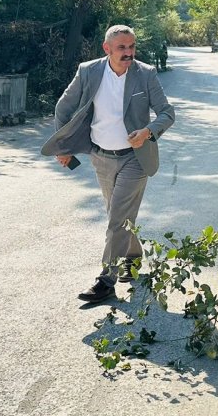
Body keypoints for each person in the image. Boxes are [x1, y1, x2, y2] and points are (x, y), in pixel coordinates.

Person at [41, 25, 175, 303]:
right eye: (122, 48)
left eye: (132, 47)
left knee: (117, 219)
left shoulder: (145, 74)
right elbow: (63, 108)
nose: (128, 53)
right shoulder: (88, 71)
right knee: (120, 217)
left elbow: (166, 112)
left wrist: (148, 132)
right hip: (100, 156)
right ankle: (133, 257)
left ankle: (106, 280)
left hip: (135, 159)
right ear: (107, 49)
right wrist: (64, 146)